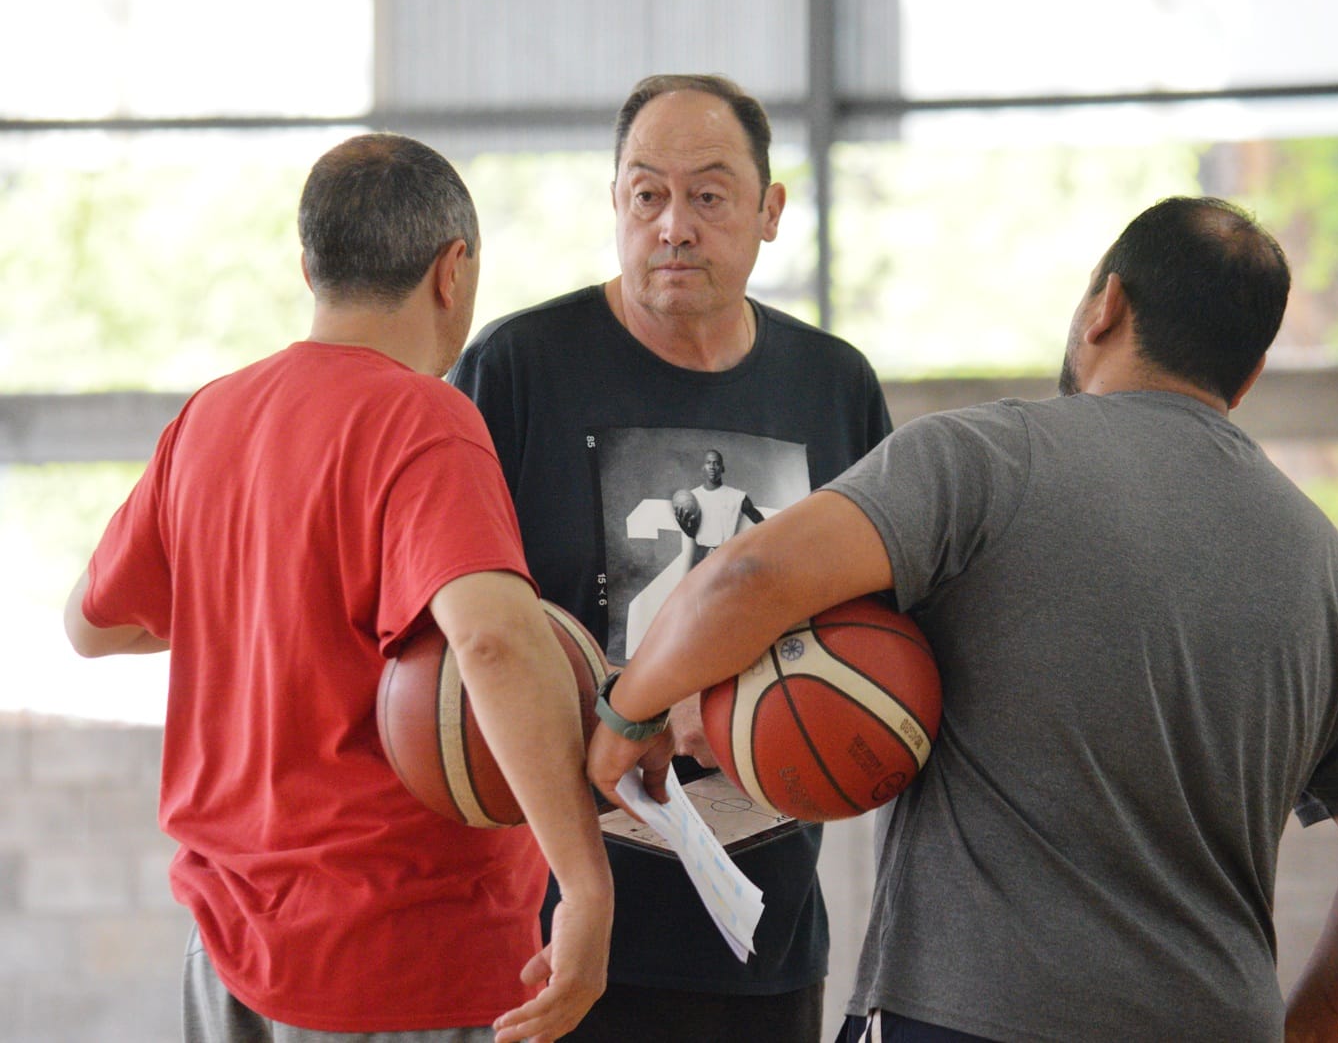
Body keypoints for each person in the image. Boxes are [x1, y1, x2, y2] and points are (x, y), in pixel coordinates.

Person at [589, 196, 1338, 1042]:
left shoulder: (988, 459)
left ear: (1105, 307)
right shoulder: (1334, 574)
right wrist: (1306, 1035)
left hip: (974, 1013)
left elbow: (749, 576)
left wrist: (630, 712)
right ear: (1248, 373)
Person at [62, 133, 612, 1043]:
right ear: (454, 271)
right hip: (404, 956)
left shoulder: (212, 415)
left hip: (230, 947)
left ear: (309, 263)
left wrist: (261, 609)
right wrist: (586, 887)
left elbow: (91, 624)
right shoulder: (425, 417)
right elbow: (491, 641)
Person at [450, 74, 891, 1042]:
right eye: (647, 194)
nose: (674, 226)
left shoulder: (834, 384)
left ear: (771, 212)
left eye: (710, 194)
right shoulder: (516, 369)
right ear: (615, 203)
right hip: (559, 932)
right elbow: (460, 638)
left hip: (763, 935)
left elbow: (871, 631)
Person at [682, 447, 763, 565]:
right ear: (703, 467)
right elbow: (691, 533)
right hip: (701, 556)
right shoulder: (692, 497)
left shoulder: (737, 496)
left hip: (727, 556)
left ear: (722, 468)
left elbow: (760, 521)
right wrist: (684, 525)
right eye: (708, 463)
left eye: (716, 463)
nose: (712, 467)